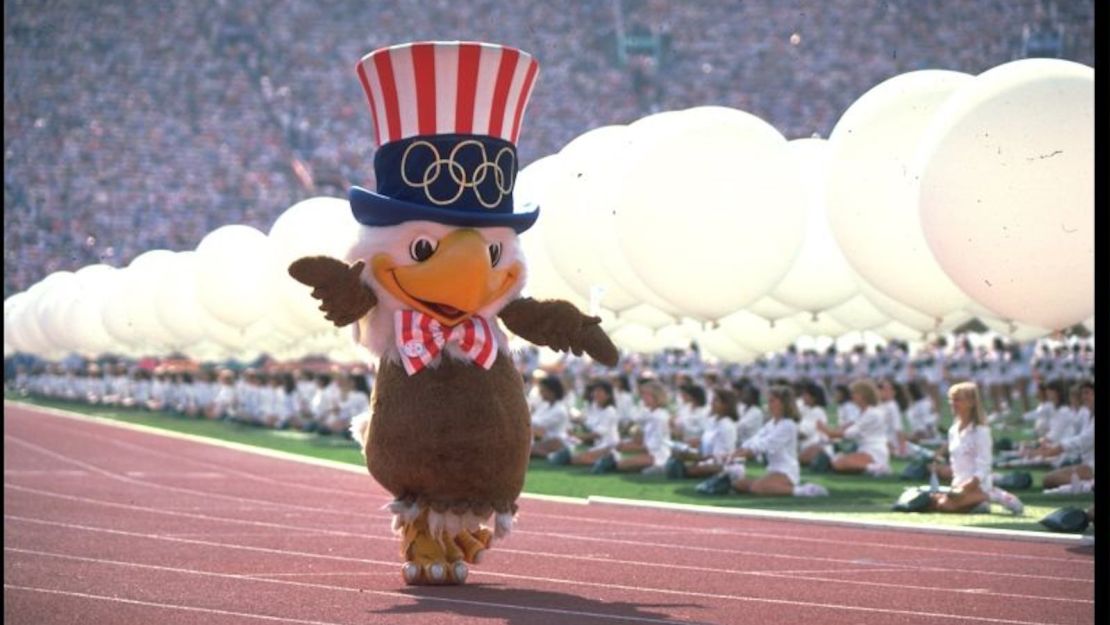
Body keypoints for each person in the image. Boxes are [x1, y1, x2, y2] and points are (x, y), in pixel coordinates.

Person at [928, 381, 1024, 514]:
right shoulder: (953, 430)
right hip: (957, 485)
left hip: (977, 486)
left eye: (957, 400)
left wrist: (966, 488)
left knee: (945, 506)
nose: (952, 403)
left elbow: (983, 468)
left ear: (971, 402)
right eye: (951, 400)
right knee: (931, 502)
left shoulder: (981, 431)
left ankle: (991, 495)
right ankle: (977, 504)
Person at [729, 385, 801, 496]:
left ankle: (800, 491)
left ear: (783, 403)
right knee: (739, 484)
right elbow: (757, 437)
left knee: (757, 488)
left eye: (772, 401)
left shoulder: (788, 425)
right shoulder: (771, 424)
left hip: (787, 471)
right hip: (773, 470)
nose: (769, 405)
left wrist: (748, 451)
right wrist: (743, 448)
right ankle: (766, 484)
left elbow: (768, 443)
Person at [1025, 379, 1094, 489]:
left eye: (1088, 393)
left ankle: (1087, 486)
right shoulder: (1086, 414)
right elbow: (1074, 437)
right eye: (1082, 394)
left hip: (1088, 465)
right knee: (1049, 480)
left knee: (1050, 480)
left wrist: (1055, 449)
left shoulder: (1074, 412)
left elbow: (1083, 440)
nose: (1084, 397)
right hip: (1083, 461)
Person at [817, 379, 890, 476]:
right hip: (865, 449)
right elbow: (845, 427)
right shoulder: (862, 412)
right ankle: (871, 468)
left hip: (874, 451)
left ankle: (879, 467)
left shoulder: (873, 413)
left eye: (855, 393)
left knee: (838, 464)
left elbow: (849, 433)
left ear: (863, 395)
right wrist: (831, 432)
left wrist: (826, 430)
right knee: (836, 462)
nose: (852, 396)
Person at [669, 388, 739, 478]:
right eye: (712, 400)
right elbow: (707, 442)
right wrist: (693, 444)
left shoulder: (727, 426)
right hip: (706, 458)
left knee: (691, 469)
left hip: (720, 462)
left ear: (726, 405)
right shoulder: (712, 421)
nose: (712, 403)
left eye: (716, 400)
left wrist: (698, 457)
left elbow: (720, 455)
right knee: (678, 455)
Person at [550, 380, 620, 466]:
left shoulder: (610, 411)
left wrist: (576, 436)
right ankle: (601, 462)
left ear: (608, 395)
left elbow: (597, 434)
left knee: (577, 459)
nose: (595, 394)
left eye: (599, 391)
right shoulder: (594, 407)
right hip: (596, 444)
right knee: (572, 457)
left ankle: (610, 463)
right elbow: (586, 422)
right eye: (595, 391)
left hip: (608, 445)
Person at [530, 376, 572, 459]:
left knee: (527, 448)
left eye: (543, 390)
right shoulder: (544, 405)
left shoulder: (560, 410)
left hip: (556, 442)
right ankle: (551, 456)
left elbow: (539, 425)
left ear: (551, 392)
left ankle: (553, 456)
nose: (540, 393)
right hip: (544, 439)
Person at [796, 380, 832, 465]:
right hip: (805, 445)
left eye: (805, 395)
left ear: (813, 397)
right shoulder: (805, 409)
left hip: (814, 445)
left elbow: (804, 434)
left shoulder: (817, 411)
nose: (803, 397)